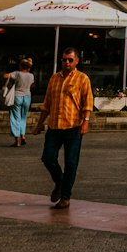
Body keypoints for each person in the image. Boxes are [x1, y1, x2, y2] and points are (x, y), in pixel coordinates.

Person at [34, 47, 93, 209]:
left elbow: (87, 102)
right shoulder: (54, 78)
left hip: (73, 126)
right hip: (54, 126)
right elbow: (47, 104)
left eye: (70, 60)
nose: (66, 63)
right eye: (64, 60)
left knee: (71, 162)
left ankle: (66, 196)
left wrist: (86, 121)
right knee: (48, 157)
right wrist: (40, 124)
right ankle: (60, 182)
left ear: (77, 61)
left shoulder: (82, 79)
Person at [2, 57, 34, 147]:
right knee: (23, 117)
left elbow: (5, 76)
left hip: (17, 97)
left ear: (20, 66)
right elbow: (32, 83)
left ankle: (17, 140)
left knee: (15, 117)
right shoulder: (31, 75)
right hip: (27, 97)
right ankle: (23, 135)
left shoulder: (17, 73)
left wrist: (7, 75)